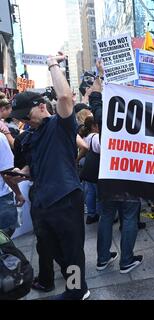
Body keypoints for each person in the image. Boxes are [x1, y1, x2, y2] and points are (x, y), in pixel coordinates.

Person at [9, 53, 90, 300]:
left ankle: (78, 290)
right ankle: (72, 283)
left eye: (24, 115)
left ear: (41, 106)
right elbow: (34, 167)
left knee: (72, 250)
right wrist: (21, 174)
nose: (22, 121)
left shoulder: (60, 124)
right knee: (53, 249)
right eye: (19, 118)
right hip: (42, 204)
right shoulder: (30, 136)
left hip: (65, 200)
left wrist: (53, 64)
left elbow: (65, 96)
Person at [87, 61, 143, 274]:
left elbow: (94, 98)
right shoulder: (140, 115)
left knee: (106, 215)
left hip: (108, 174)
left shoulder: (104, 115)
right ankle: (126, 260)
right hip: (129, 174)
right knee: (129, 217)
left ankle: (102, 259)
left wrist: (100, 75)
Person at [0, 131, 25, 237]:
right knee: (5, 235)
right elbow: (6, 171)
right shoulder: (0, 138)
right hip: (2, 197)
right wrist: (18, 193)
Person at [78, 116, 101, 224]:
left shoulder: (85, 136)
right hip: (96, 170)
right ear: (94, 126)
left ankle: (91, 214)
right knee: (99, 194)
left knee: (90, 192)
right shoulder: (96, 137)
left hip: (88, 169)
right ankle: (101, 214)